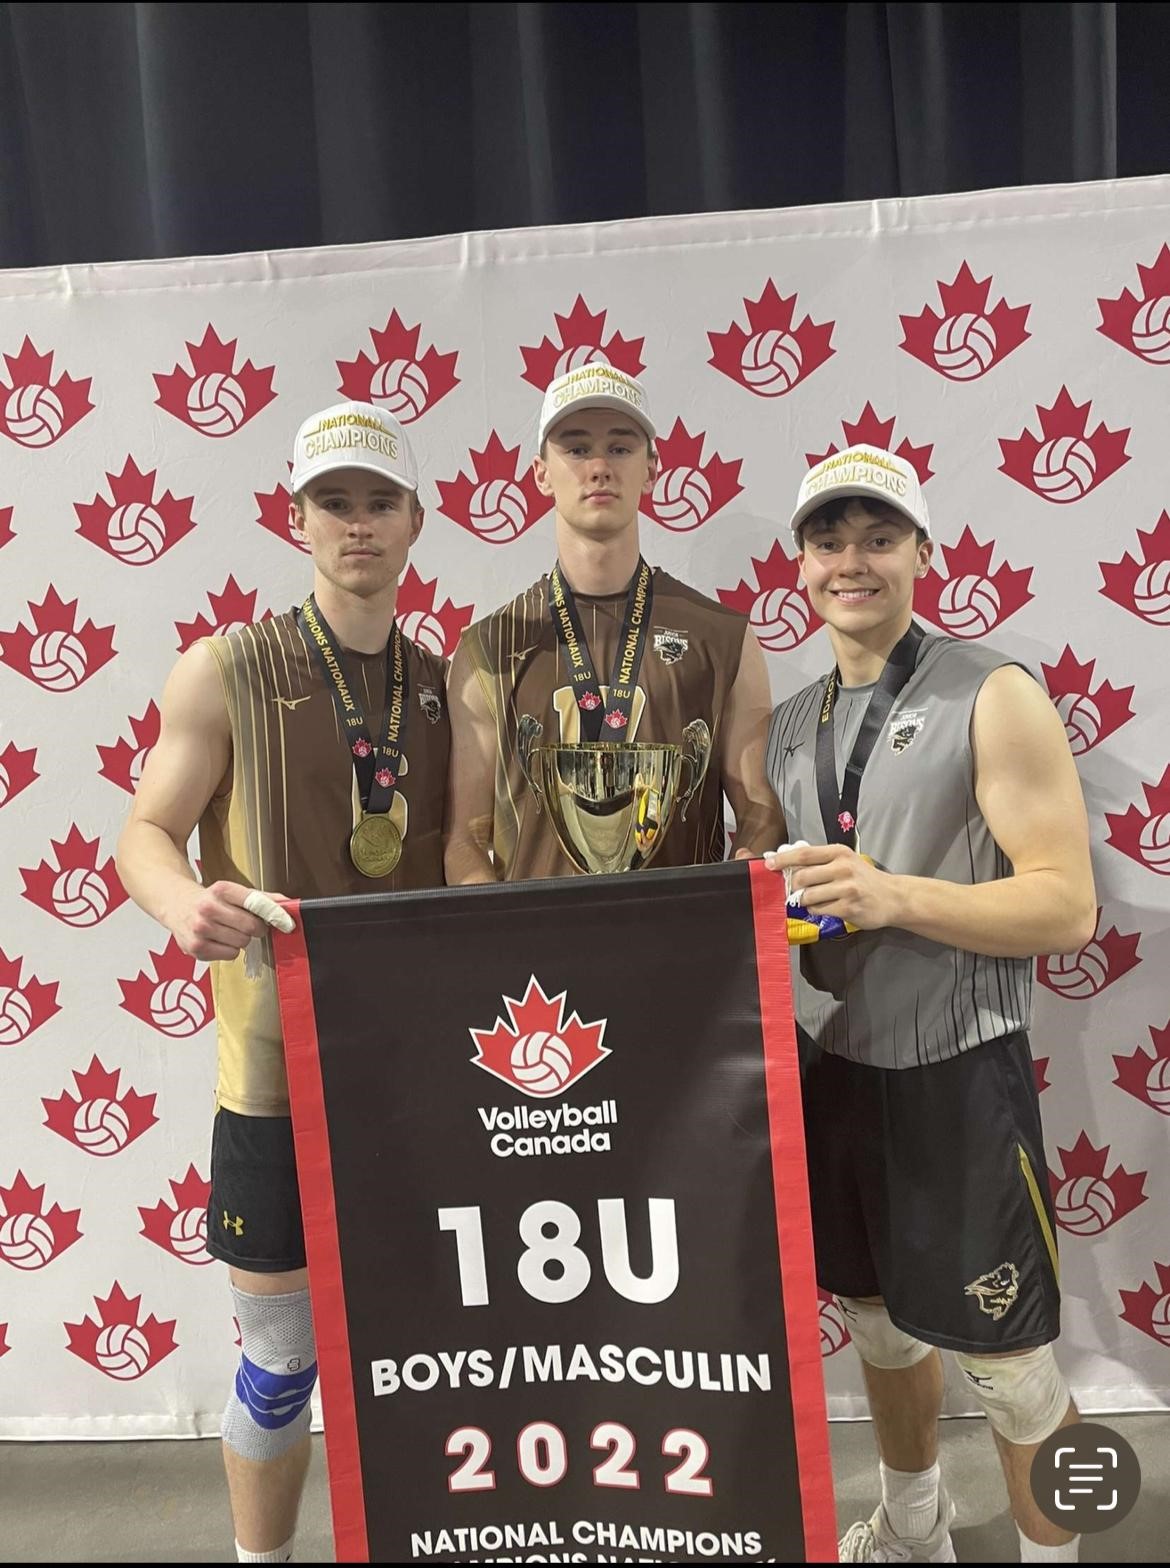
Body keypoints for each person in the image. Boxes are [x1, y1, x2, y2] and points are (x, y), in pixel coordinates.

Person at [116, 401, 449, 1564]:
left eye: (377, 503)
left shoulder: (447, 686)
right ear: (295, 517)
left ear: (417, 518)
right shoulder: (225, 667)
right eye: (333, 503)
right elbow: (147, 829)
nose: (356, 525)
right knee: (279, 1364)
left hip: (419, 1083)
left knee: (427, 1352)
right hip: (273, 1079)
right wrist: (180, 902)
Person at [763, 446, 1097, 1564]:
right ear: (799, 563)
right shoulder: (790, 719)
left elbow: (1065, 907)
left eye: (877, 536)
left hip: (959, 1070)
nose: (852, 560)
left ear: (920, 552)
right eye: (829, 539)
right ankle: (915, 1526)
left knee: (1011, 1364)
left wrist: (893, 894)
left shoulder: (990, 690)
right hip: (836, 1070)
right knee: (877, 1321)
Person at [444, 364, 782, 883]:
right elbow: (465, 838)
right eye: (577, 449)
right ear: (540, 472)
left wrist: (732, 894)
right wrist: (502, 937)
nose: (599, 467)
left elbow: (761, 814)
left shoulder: (723, 637)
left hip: (684, 953)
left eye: (620, 448)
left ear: (652, 468)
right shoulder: (487, 648)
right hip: (536, 957)